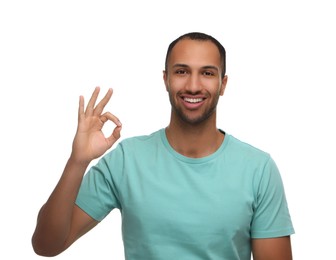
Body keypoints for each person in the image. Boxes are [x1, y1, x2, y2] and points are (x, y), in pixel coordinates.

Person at [32, 32, 294, 260]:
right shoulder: (127, 160)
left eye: (207, 73)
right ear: (166, 79)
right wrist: (78, 161)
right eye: (182, 71)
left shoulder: (258, 169)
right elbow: (46, 246)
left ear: (222, 84)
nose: (193, 85)